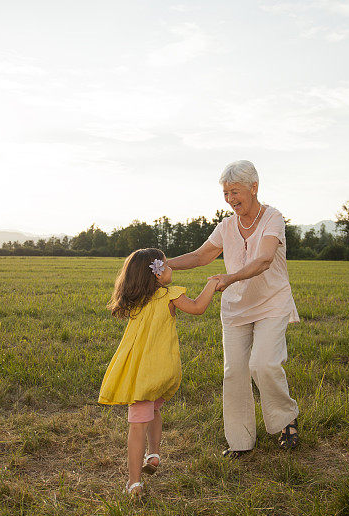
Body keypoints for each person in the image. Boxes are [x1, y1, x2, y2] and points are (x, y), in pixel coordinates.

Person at [166, 160, 301, 459]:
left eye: (235, 192)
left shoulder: (273, 219)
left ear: (254, 187)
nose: (230, 199)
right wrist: (166, 262)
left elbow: (265, 259)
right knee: (234, 372)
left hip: (271, 301)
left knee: (263, 363)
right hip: (236, 307)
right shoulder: (226, 225)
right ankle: (240, 441)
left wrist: (231, 277)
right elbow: (202, 256)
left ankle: (285, 417)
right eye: (226, 193)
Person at [98, 248, 219, 497]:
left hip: (139, 372)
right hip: (162, 369)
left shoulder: (136, 298)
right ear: (156, 273)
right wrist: (213, 285)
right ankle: (153, 454)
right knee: (153, 410)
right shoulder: (170, 295)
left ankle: (134, 483)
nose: (171, 267)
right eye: (167, 265)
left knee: (137, 424)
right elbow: (197, 307)